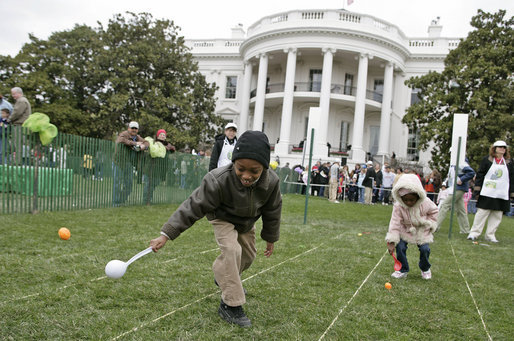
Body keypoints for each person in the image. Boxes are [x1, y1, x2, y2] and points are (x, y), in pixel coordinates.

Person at [149, 131, 281, 327]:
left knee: (248, 256)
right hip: (222, 218)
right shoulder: (217, 179)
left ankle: (223, 277)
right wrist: (166, 234)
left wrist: (270, 237)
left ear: (264, 167)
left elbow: (273, 210)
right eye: (240, 168)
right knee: (231, 251)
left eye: (254, 171)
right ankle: (230, 305)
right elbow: (192, 206)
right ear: (233, 163)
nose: (246, 175)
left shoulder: (271, 182)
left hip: (246, 222)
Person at [385, 174, 439, 280]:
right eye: (405, 200)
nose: (408, 203)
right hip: (405, 229)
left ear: (418, 196)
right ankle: (402, 269)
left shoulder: (426, 202)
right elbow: (394, 222)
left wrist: (430, 224)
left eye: (412, 200)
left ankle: (425, 268)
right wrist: (392, 241)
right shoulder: (398, 206)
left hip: (421, 230)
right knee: (400, 247)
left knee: (425, 249)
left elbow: (435, 211)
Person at [467, 141, 514, 242]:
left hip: (501, 193)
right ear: (494, 148)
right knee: (482, 213)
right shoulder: (487, 160)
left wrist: (511, 193)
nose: (502, 149)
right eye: (500, 147)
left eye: (504, 147)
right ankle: (474, 233)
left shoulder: (509, 162)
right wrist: (477, 190)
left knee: (497, 215)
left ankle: (490, 235)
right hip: (487, 192)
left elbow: (511, 178)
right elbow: (480, 174)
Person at [112, 121, 149, 206]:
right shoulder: (124, 134)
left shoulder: (138, 137)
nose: (134, 130)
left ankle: (122, 200)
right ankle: (116, 202)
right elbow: (119, 140)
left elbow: (147, 142)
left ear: (138, 130)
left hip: (129, 164)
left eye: (136, 128)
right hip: (118, 162)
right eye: (132, 128)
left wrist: (144, 146)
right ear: (128, 128)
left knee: (129, 184)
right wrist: (135, 143)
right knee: (117, 183)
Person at [436, 158, 475, 234]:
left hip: (458, 188)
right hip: (455, 188)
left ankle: (435, 226)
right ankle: (465, 229)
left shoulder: (461, 161)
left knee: (445, 205)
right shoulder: (455, 162)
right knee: (461, 210)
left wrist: (462, 179)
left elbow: (471, 172)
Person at [143, 129, 176, 204]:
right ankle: (146, 201)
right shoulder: (153, 143)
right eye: (161, 134)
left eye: (164, 135)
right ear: (158, 135)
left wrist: (170, 148)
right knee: (148, 185)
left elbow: (173, 150)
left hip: (160, 169)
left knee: (155, 184)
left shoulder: (167, 144)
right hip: (151, 167)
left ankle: (149, 199)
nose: (162, 136)